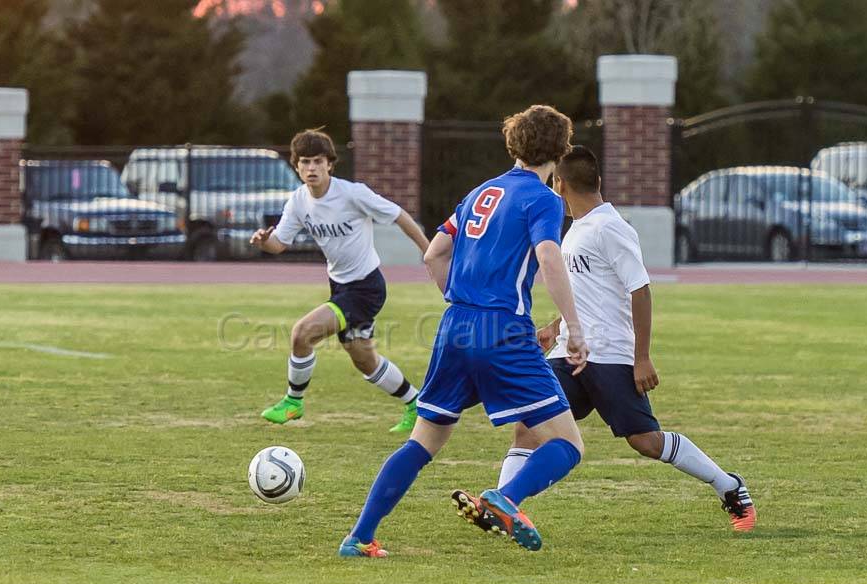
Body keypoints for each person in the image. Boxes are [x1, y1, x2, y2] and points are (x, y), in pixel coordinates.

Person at [459, 145, 756, 534]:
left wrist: (642, 357)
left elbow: (640, 289)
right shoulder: (576, 231)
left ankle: (730, 487)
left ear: (560, 184)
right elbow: (586, 292)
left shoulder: (611, 228)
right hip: (568, 353)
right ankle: (502, 505)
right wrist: (554, 326)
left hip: (609, 356)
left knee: (645, 442)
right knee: (527, 427)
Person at [338, 105, 588, 558]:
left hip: (455, 325)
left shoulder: (480, 192)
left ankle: (359, 537)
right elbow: (550, 257)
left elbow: (434, 254)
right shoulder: (544, 200)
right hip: (503, 330)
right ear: (560, 151)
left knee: (425, 439)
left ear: (513, 143)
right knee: (568, 444)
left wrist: (463, 301)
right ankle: (507, 497)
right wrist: (575, 327)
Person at [250, 129, 430, 434]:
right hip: (340, 286)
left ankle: (293, 402)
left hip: (366, 287)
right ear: (296, 166)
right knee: (364, 359)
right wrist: (263, 243)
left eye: (318, 161)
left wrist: (428, 252)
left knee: (301, 334)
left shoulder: (352, 194)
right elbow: (280, 243)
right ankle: (416, 404)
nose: (311, 168)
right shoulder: (298, 202)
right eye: (305, 162)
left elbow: (399, 214)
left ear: (330, 164)